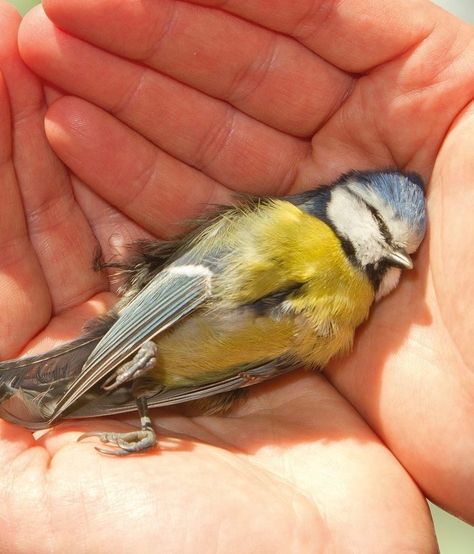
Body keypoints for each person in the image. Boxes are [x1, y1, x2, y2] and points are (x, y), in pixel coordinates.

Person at [0, 0, 472, 551]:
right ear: (347, 202)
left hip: (173, 369)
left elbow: (241, 373)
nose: (390, 257)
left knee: (72, 382)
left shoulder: (354, 314)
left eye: (401, 254)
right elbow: (188, 286)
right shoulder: (291, 225)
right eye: (379, 230)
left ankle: (79, 384)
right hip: (145, 331)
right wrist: (113, 355)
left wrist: (123, 388)